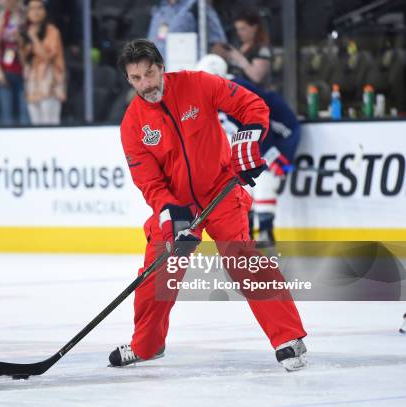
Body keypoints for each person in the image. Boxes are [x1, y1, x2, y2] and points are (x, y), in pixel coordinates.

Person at [110, 39, 307, 371]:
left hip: (221, 190)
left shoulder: (197, 83)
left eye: (149, 74)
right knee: (158, 273)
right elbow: (150, 182)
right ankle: (146, 345)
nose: (145, 85)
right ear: (128, 80)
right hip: (177, 206)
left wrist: (247, 141)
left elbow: (251, 105)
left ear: (161, 67)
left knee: (242, 259)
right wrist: (171, 212)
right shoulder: (132, 124)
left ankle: (289, 338)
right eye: (136, 79)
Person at [197, 54, 301, 246]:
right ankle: (249, 232)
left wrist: (273, 156)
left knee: (264, 177)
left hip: (282, 131)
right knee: (242, 180)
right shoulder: (212, 95)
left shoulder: (231, 92)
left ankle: (265, 231)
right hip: (260, 136)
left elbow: (261, 125)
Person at [20, 0, 66, 125]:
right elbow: (24, 60)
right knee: (36, 125)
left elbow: (47, 57)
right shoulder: (25, 32)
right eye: (32, 8)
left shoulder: (52, 31)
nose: (35, 12)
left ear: (45, 11)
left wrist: (34, 37)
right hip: (32, 84)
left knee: (50, 123)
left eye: (39, 8)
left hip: (49, 83)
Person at [147, 0, 227, 63]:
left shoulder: (197, 5)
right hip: (163, 77)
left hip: (190, 74)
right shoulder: (159, 8)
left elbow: (218, 43)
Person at [0, 0, 29, 125]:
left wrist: (19, 38)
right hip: (6, 71)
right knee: (7, 116)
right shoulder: (2, 17)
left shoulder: (28, 15)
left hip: (25, 71)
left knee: (25, 115)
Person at [222, 10, 271, 85]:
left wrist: (239, 58)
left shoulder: (262, 50)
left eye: (243, 29)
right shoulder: (239, 46)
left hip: (251, 92)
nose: (239, 33)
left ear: (254, 27)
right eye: (237, 29)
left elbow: (257, 77)